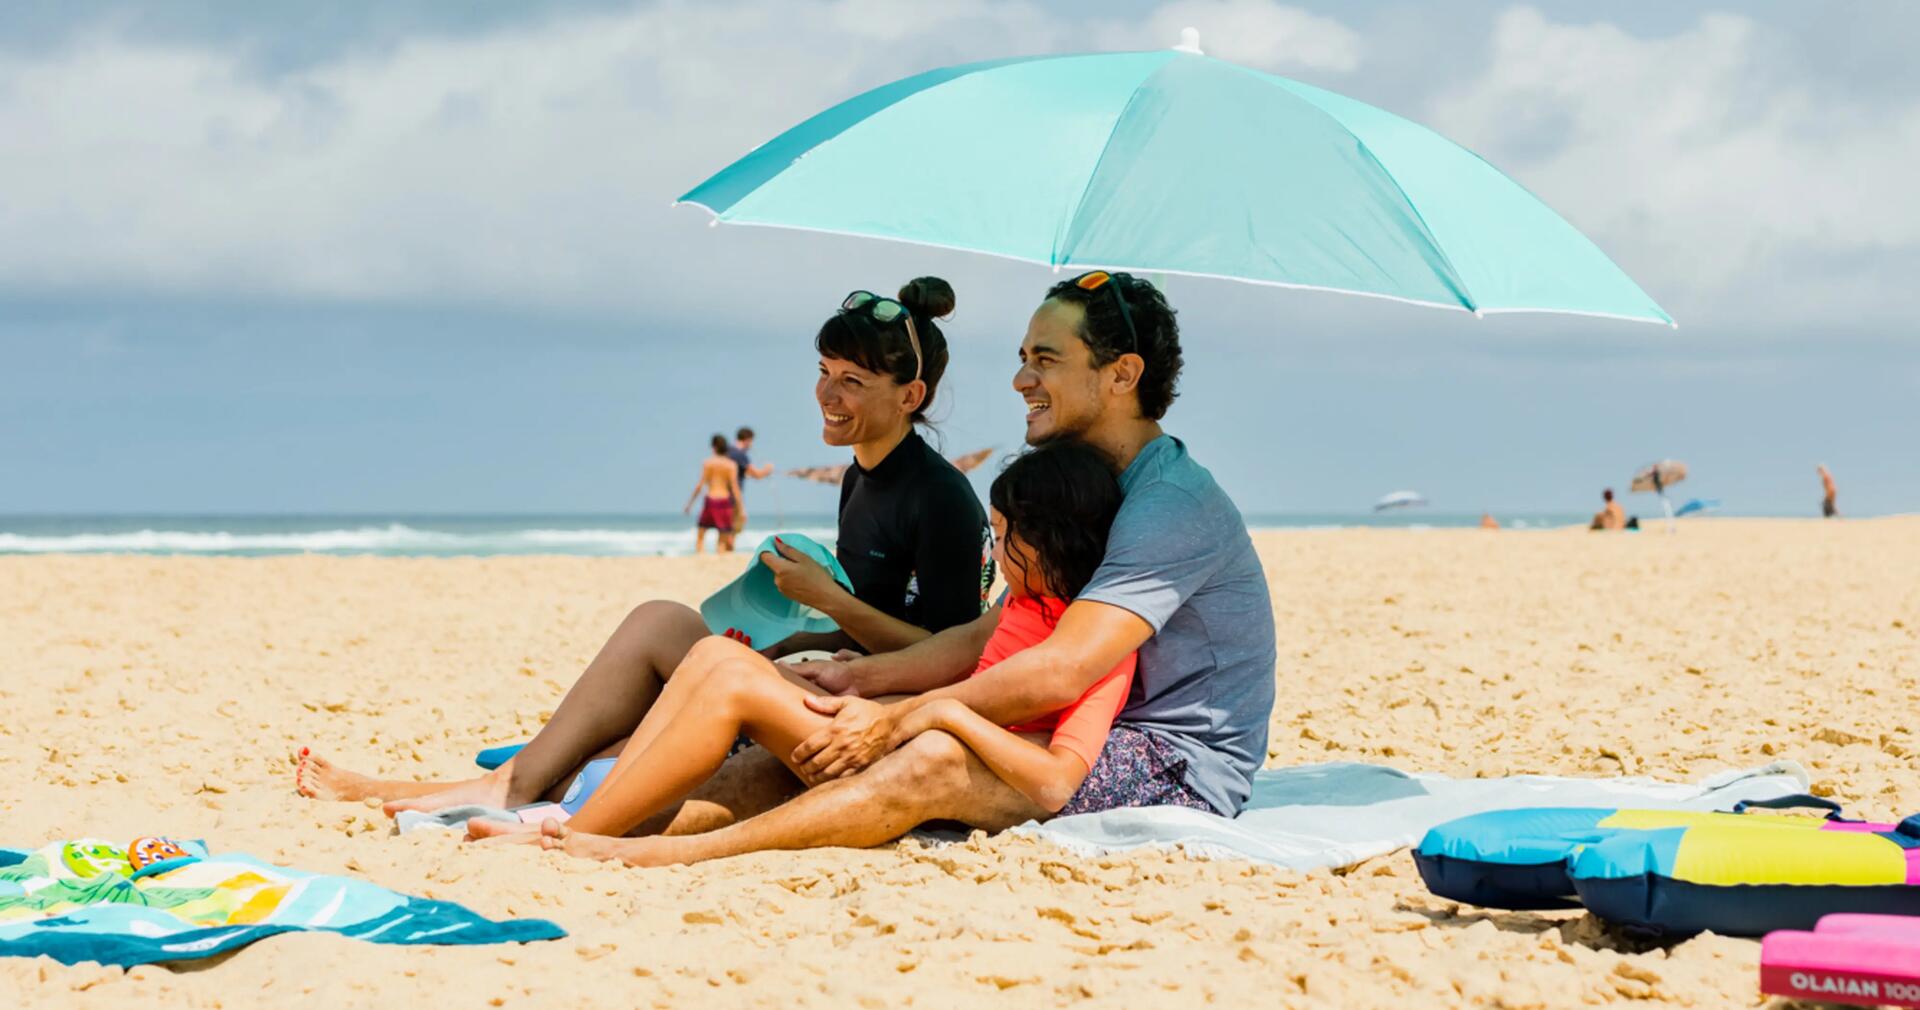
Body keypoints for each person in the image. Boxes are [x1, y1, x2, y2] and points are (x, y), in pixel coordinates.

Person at [476, 271, 1277, 868]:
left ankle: (654, 854)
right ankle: (581, 818)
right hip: (1060, 725)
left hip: (1167, 759)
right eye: (1022, 356)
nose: (1020, 378)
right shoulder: (1082, 490)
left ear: (1121, 375)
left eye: (1045, 358)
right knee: (802, 704)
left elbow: (1061, 670)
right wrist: (864, 682)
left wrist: (904, 713)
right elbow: (986, 635)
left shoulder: (1168, 505)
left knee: (919, 754)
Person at [295, 277, 994, 815]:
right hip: (830, 679)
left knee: (675, 696)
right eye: (823, 370)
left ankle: (511, 789)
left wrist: (826, 600)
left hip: (870, 723)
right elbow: (862, 617)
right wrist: (787, 641)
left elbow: (949, 656)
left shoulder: (939, 498)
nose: (827, 394)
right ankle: (507, 783)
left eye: (853, 381)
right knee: (661, 618)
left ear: (910, 395)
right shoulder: (860, 480)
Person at [469, 441, 1145, 850]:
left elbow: (1057, 778)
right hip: (889, 723)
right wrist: (864, 677)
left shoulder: (1099, 633)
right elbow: (962, 654)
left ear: (1053, 539)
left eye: (1005, 534)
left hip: (892, 751)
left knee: (728, 675)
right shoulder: (1022, 601)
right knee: (708, 653)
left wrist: (936, 712)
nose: (994, 548)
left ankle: (577, 835)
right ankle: (565, 807)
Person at [685, 434, 744, 553]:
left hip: (711, 500)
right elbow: (735, 487)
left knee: (701, 536)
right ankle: (719, 558)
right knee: (722, 540)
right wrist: (741, 508)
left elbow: (700, 485)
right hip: (724, 501)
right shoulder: (731, 465)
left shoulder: (708, 463)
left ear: (714, 447)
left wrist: (690, 503)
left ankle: (700, 558)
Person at [727, 427, 775, 537]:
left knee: (726, 527)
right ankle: (729, 548)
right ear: (748, 440)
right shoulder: (740, 455)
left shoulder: (728, 450)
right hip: (734, 495)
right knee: (735, 525)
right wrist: (767, 469)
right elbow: (757, 475)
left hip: (721, 494)